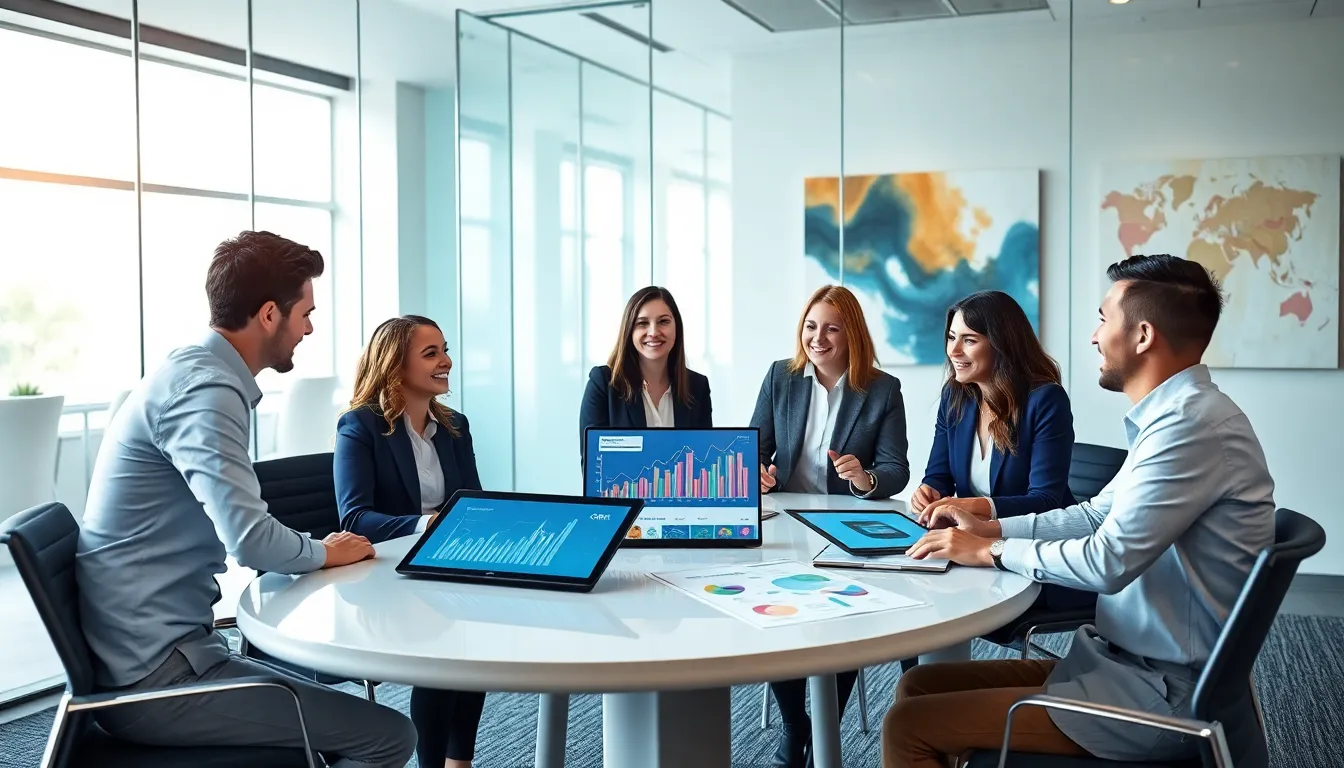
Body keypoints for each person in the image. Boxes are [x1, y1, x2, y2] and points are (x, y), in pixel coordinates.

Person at [888, 254, 1275, 768]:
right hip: (1118, 664)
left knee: (909, 727)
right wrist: (991, 526)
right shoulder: (1171, 421)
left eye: (1102, 318)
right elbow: (1093, 515)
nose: (1093, 337)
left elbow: (1107, 561)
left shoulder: (1191, 429)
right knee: (919, 683)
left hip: (1158, 694)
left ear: (1141, 336)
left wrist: (994, 550)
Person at [75, 231, 417, 768]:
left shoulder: (191, 372)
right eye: (303, 312)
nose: (309, 327)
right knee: (389, 736)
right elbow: (250, 539)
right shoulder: (206, 393)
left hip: (169, 652)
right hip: (158, 678)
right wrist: (327, 550)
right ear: (267, 315)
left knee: (349, 723)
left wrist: (315, 548)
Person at [750, 284, 911, 768]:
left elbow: (896, 469)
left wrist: (865, 478)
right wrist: (759, 471)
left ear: (852, 335)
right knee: (776, 618)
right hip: (784, 521)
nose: (818, 338)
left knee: (844, 623)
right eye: (811, 326)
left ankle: (823, 733)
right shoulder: (781, 377)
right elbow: (753, 447)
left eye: (831, 329)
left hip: (847, 522)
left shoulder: (881, 389)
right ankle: (796, 724)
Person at [900, 290, 1092, 673]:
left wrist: (973, 506)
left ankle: (937, 708)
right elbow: (938, 475)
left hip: (1034, 552)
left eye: (969, 339)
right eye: (952, 337)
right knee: (911, 589)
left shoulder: (1045, 400)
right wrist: (929, 493)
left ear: (1002, 344)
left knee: (928, 596)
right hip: (975, 548)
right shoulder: (955, 397)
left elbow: (1048, 499)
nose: (955, 350)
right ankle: (925, 705)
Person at [334, 314, 488, 768]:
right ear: (395, 365)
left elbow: (475, 505)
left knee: (477, 636)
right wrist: (428, 524)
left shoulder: (455, 426)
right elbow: (355, 517)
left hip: (449, 563)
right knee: (442, 646)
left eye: (445, 350)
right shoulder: (360, 427)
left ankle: (460, 762)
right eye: (432, 353)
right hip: (385, 576)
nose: (447, 361)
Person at [579, 286, 712, 452]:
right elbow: (594, 470)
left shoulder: (697, 386)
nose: (653, 332)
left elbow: (704, 461)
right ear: (629, 331)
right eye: (642, 323)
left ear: (676, 327)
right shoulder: (603, 384)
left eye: (663, 321)